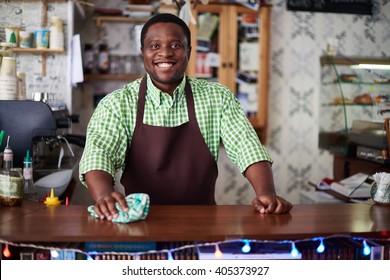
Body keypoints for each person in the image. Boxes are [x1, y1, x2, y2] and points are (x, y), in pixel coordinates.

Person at [79, 13, 292, 221]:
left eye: (176, 45)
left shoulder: (217, 97)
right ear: (142, 52)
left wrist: (266, 193)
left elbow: (247, 147)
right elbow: (99, 153)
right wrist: (104, 194)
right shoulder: (117, 104)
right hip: (140, 223)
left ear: (189, 51)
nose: (165, 53)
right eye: (154, 46)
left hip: (203, 224)